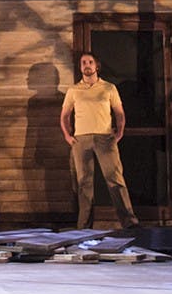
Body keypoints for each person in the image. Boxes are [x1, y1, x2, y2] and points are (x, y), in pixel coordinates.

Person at [59, 52, 139, 231]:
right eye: (83, 63)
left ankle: (130, 222)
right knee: (84, 183)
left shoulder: (109, 88)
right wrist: (67, 134)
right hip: (81, 139)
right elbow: (64, 115)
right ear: (80, 67)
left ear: (97, 66)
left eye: (90, 62)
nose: (86, 65)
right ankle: (84, 227)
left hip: (105, 138)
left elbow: (119, 113)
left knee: (115, 179)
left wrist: (119, 132)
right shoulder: (73, 90)